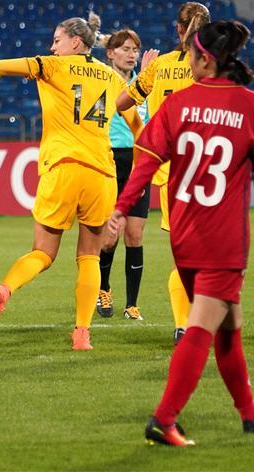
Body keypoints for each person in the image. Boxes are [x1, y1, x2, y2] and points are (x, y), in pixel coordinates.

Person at [108, 20, 254, 446]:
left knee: (229, 326)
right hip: (222, 240)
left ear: (206, 59)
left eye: (191, 54)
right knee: (202, 329)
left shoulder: (177, 106)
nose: (187, 60)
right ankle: (164, 418)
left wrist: (120, 208)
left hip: (183, 235)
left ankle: (250, 414)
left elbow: (146, 163)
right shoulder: (252, 106)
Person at [0, 11, 119, 351]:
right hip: (101, 172)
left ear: (76, 42)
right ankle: (82, 334)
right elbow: (133, 115)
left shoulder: (50, 66)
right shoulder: (111, 77)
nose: (52, 48)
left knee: (43, 252)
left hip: (63, 166)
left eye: (56, 41)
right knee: (90, 257)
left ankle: (6, 290)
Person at [115, 2, 210, 344]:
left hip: (170, 171)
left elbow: (122, 103)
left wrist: (146, 77)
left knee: (183, 254)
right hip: (207, 169)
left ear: (178, 30)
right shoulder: (211, 65)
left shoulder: (162, 67)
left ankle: (183, 324)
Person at [94, 28, 158, 320]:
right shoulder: (101, 80)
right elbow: (119, 102)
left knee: (135, 234)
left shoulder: (144, 83)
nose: (132, 54)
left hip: (138, 159)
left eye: (135, 49)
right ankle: (103, 289)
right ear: (110, 53)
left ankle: (132, 304)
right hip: (109, 159)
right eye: (126, 49)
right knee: (109, 237)